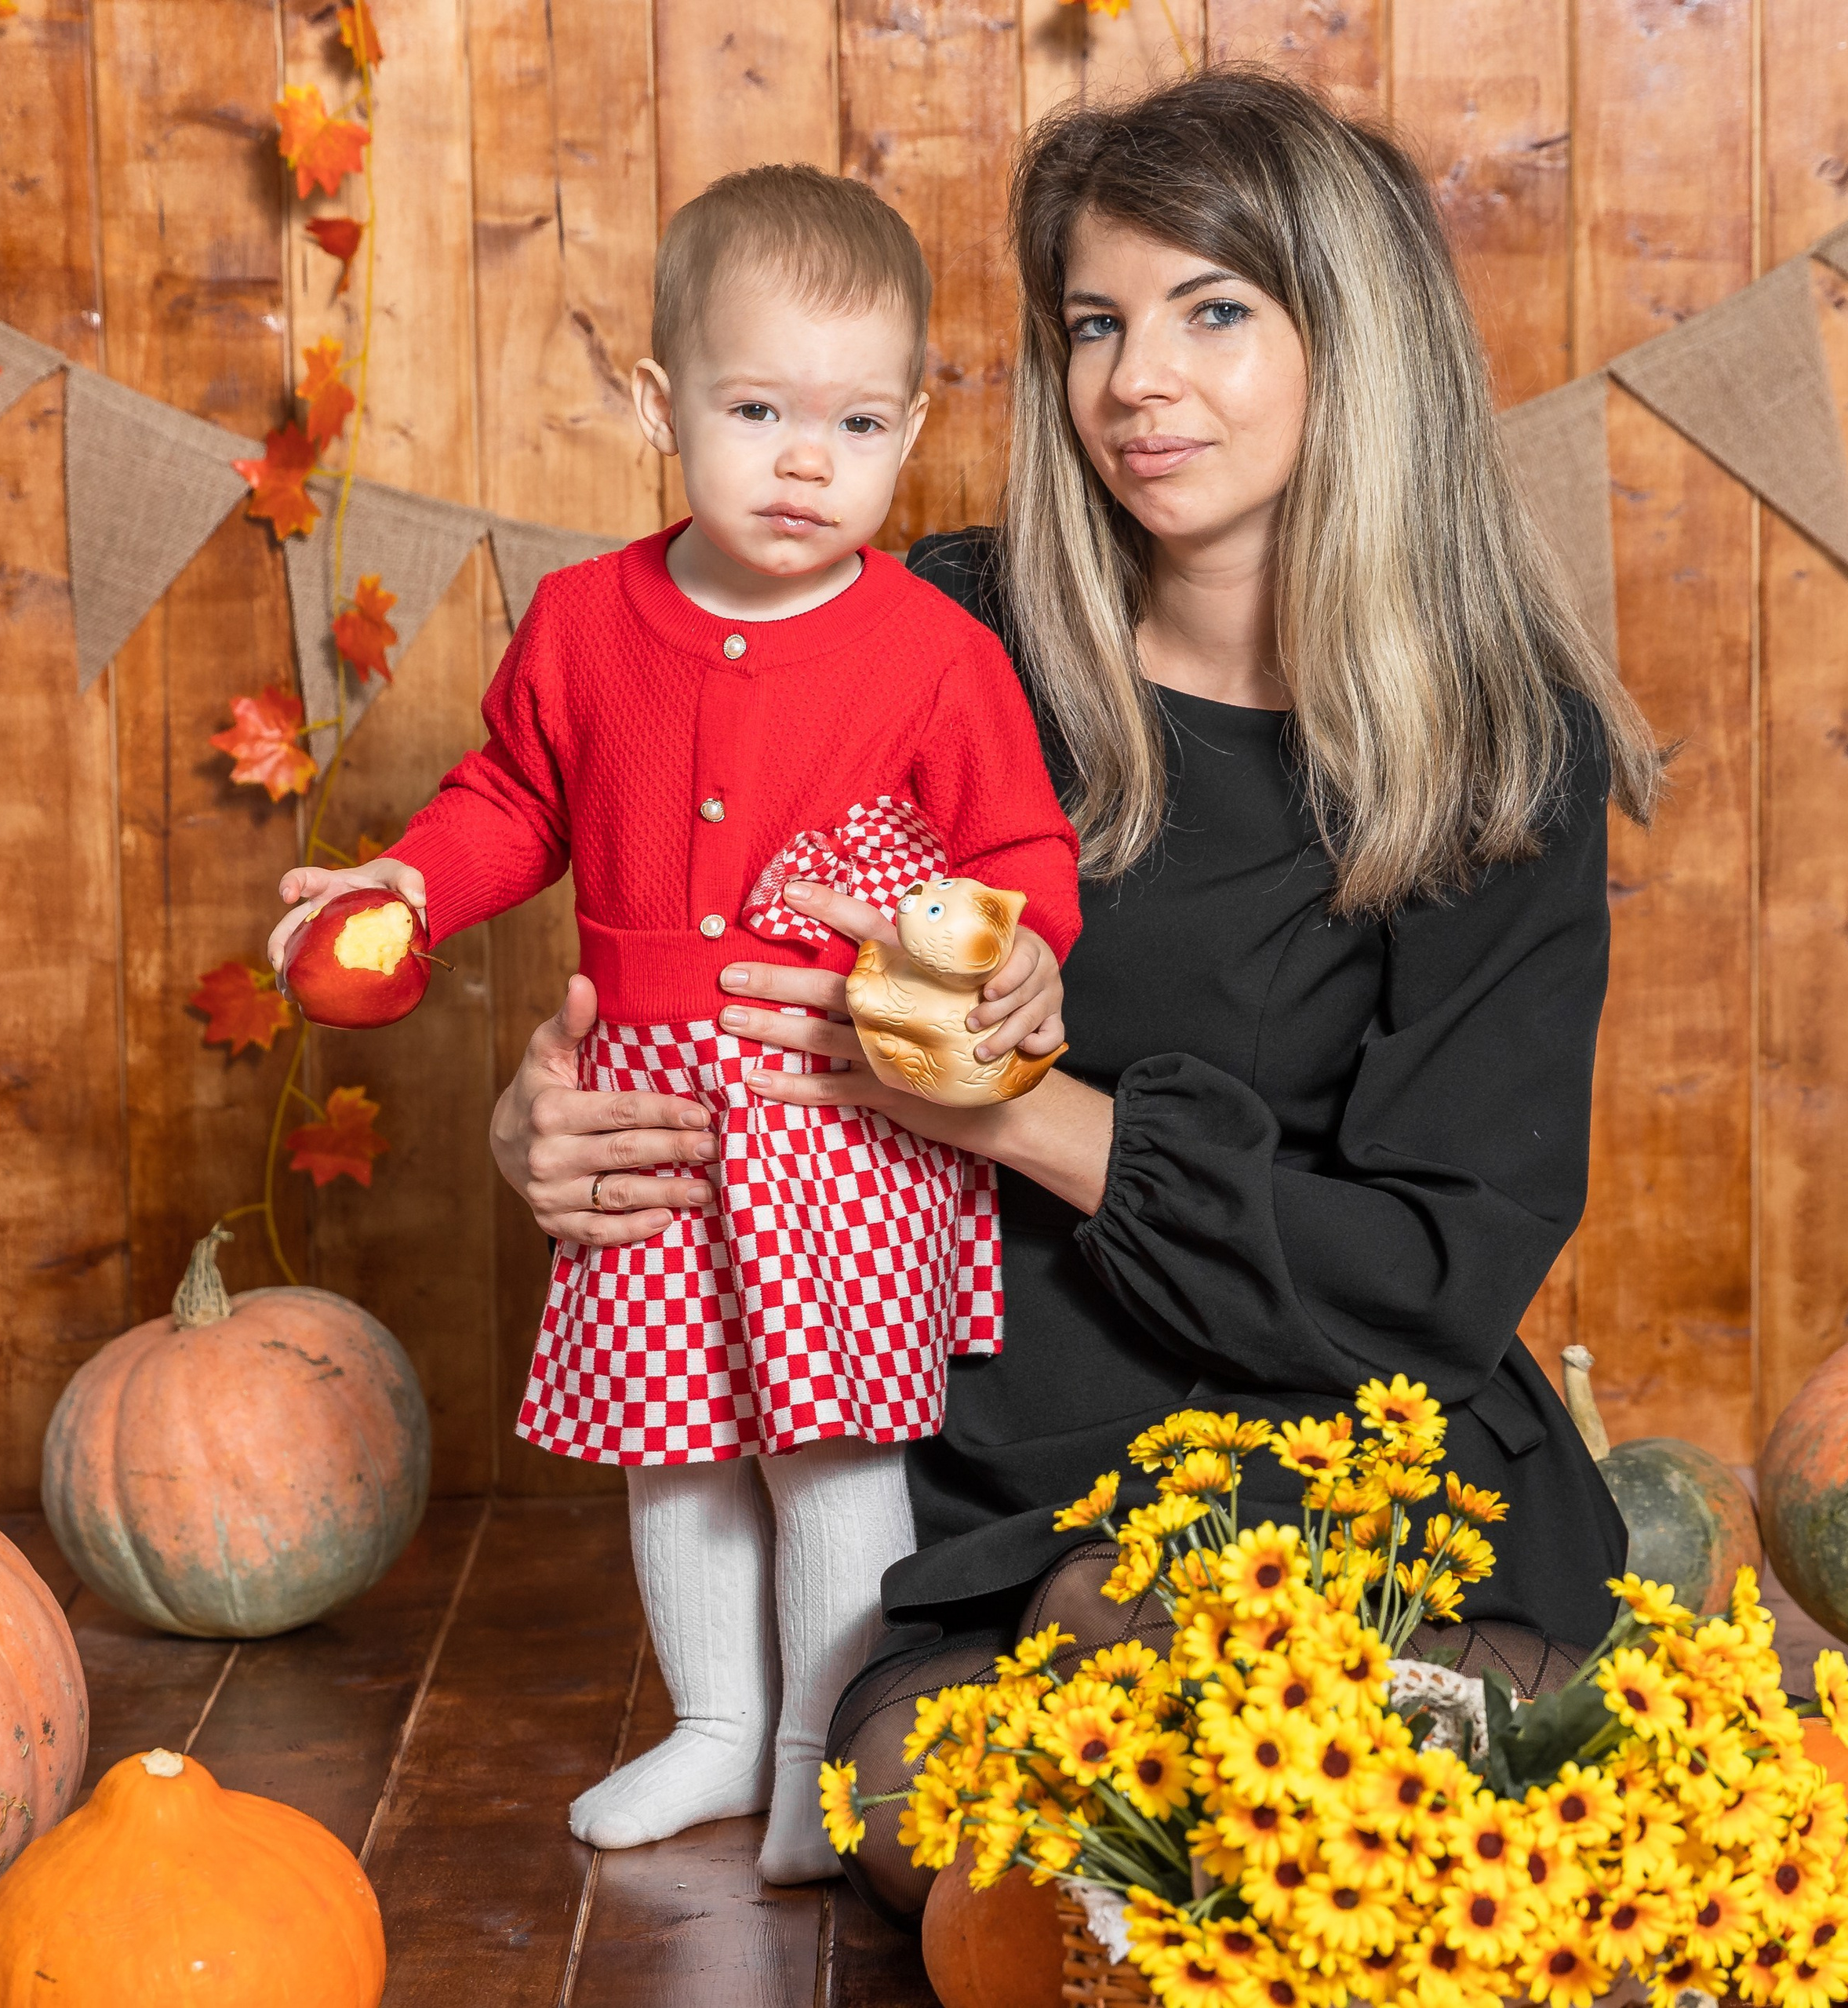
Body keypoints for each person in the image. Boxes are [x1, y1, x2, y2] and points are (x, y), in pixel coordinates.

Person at [484, 66, 1668, 1919]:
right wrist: (552, 1117)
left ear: (1351, 338)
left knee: (1342, 1767)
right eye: (1094, 323)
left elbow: (1436, 1264)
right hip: (973, 1442)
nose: (1135, 381)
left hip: (1343, 1424)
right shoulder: (921, 634)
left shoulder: (1501, 755)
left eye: (1212, 312)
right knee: (992, 1827)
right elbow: (665, 904)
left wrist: (1013, 1113)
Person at [265, 166, 1082, 1885]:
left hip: (840, 1106)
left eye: (855, 422)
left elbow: (1017, 852)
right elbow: (508, 798)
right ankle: (716, 1725)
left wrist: (1015, 962)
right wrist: (407, 885)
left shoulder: (934, 653)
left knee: (830, 1445)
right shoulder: (582, 622)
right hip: (645, 1103)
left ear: (912, 422)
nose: (806, 459)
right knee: (673, 1436)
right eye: (758, 408)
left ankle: (818, 1750)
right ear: (657, 404)